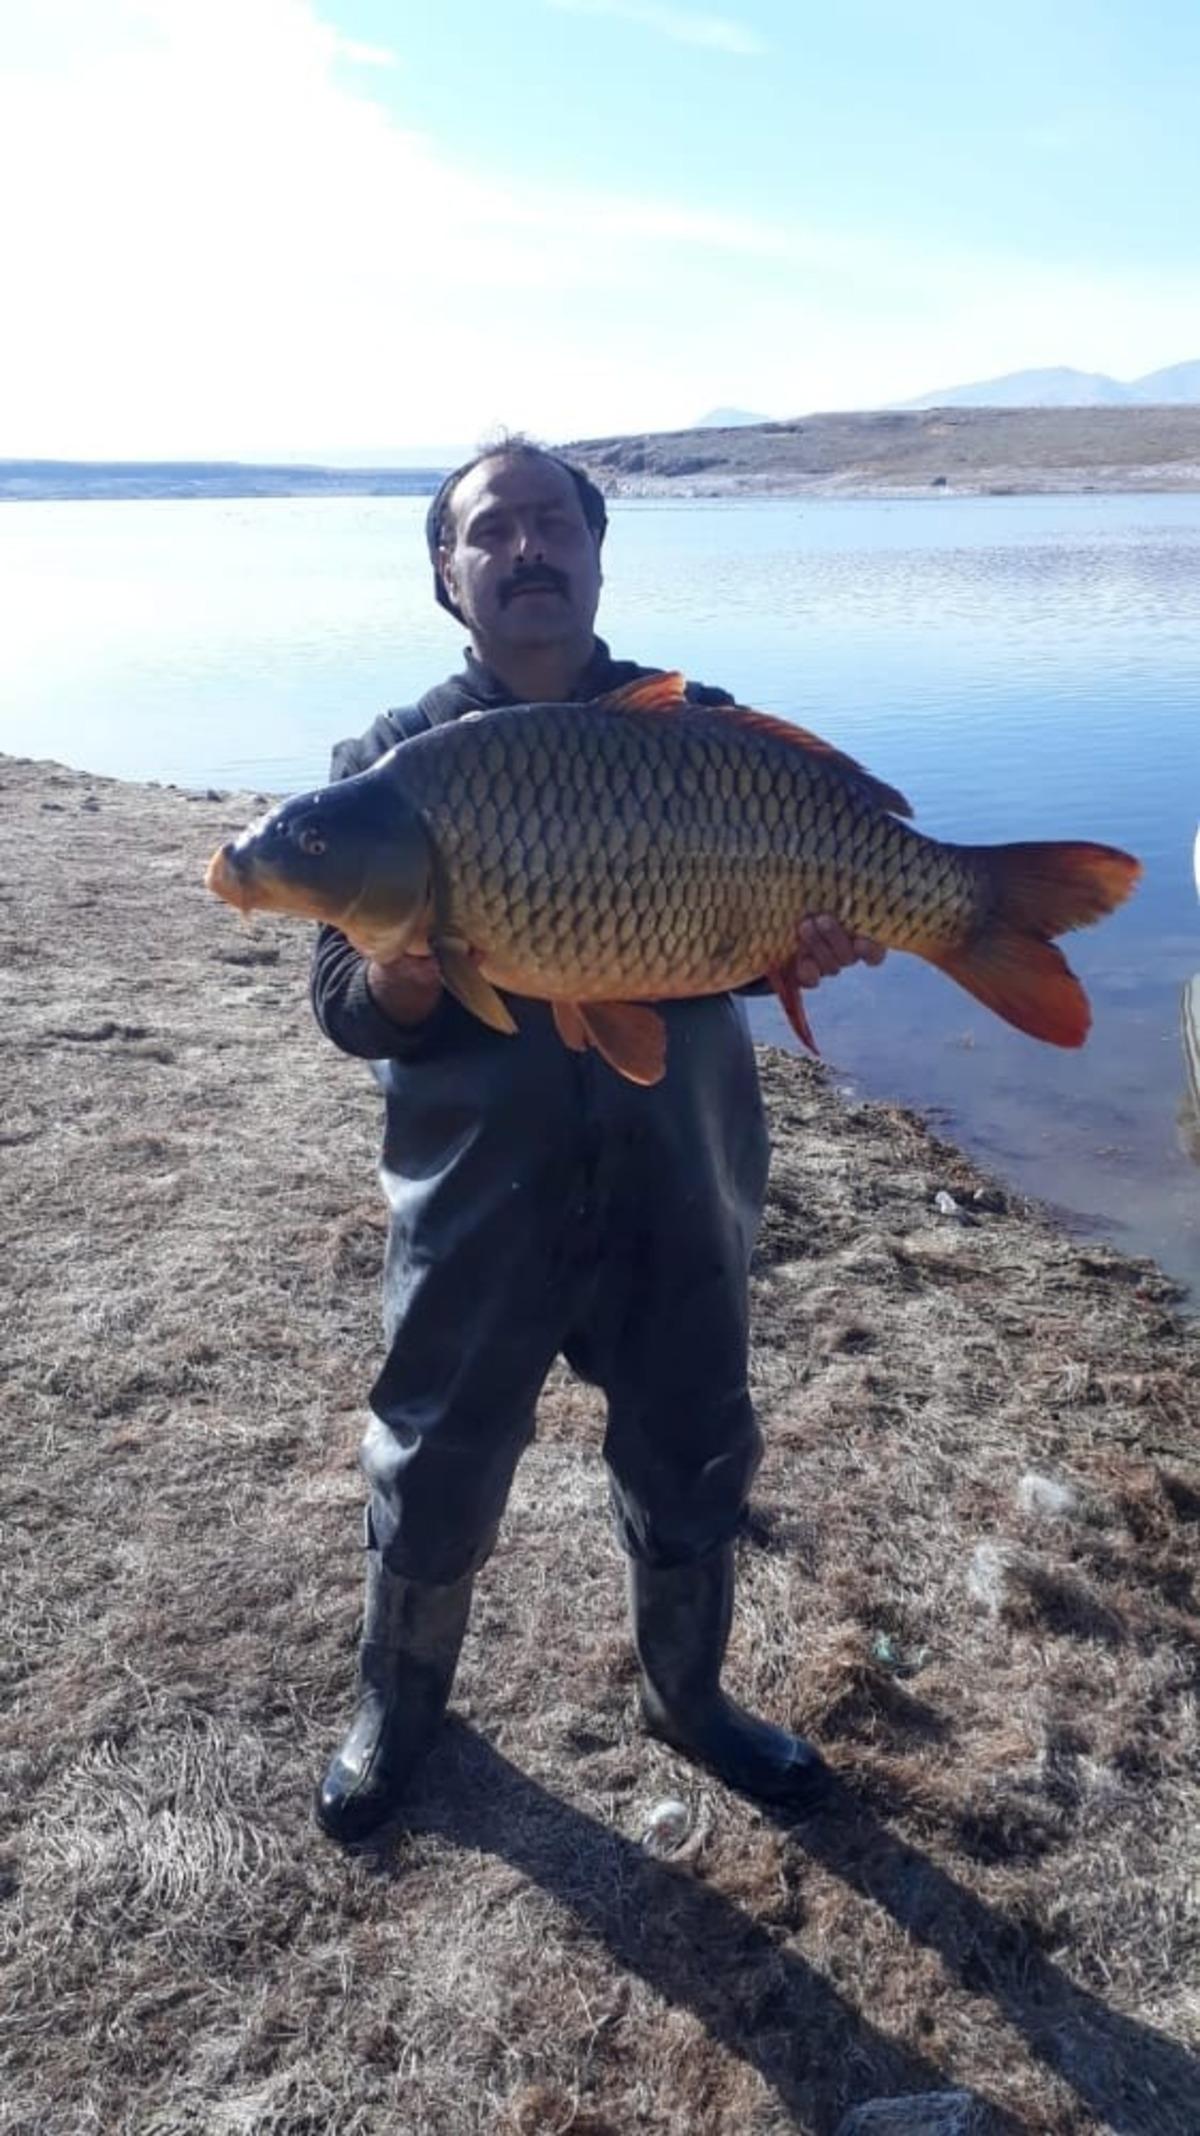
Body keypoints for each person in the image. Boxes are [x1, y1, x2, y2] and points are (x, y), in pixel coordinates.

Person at [309, 437, 885, 1846]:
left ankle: (687, 1699)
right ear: (448, 580)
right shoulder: (387, 769)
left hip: (678, 1184)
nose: (527, 550)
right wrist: (396, 973)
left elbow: (739, 953)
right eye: (489, 531)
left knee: (695, 1446)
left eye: (551, 521)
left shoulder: (699, 734)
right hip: (476, 1204)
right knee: (434, 1455)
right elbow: (340, 1004)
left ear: (598, 549)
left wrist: (800, 947)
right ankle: (400, 1707)